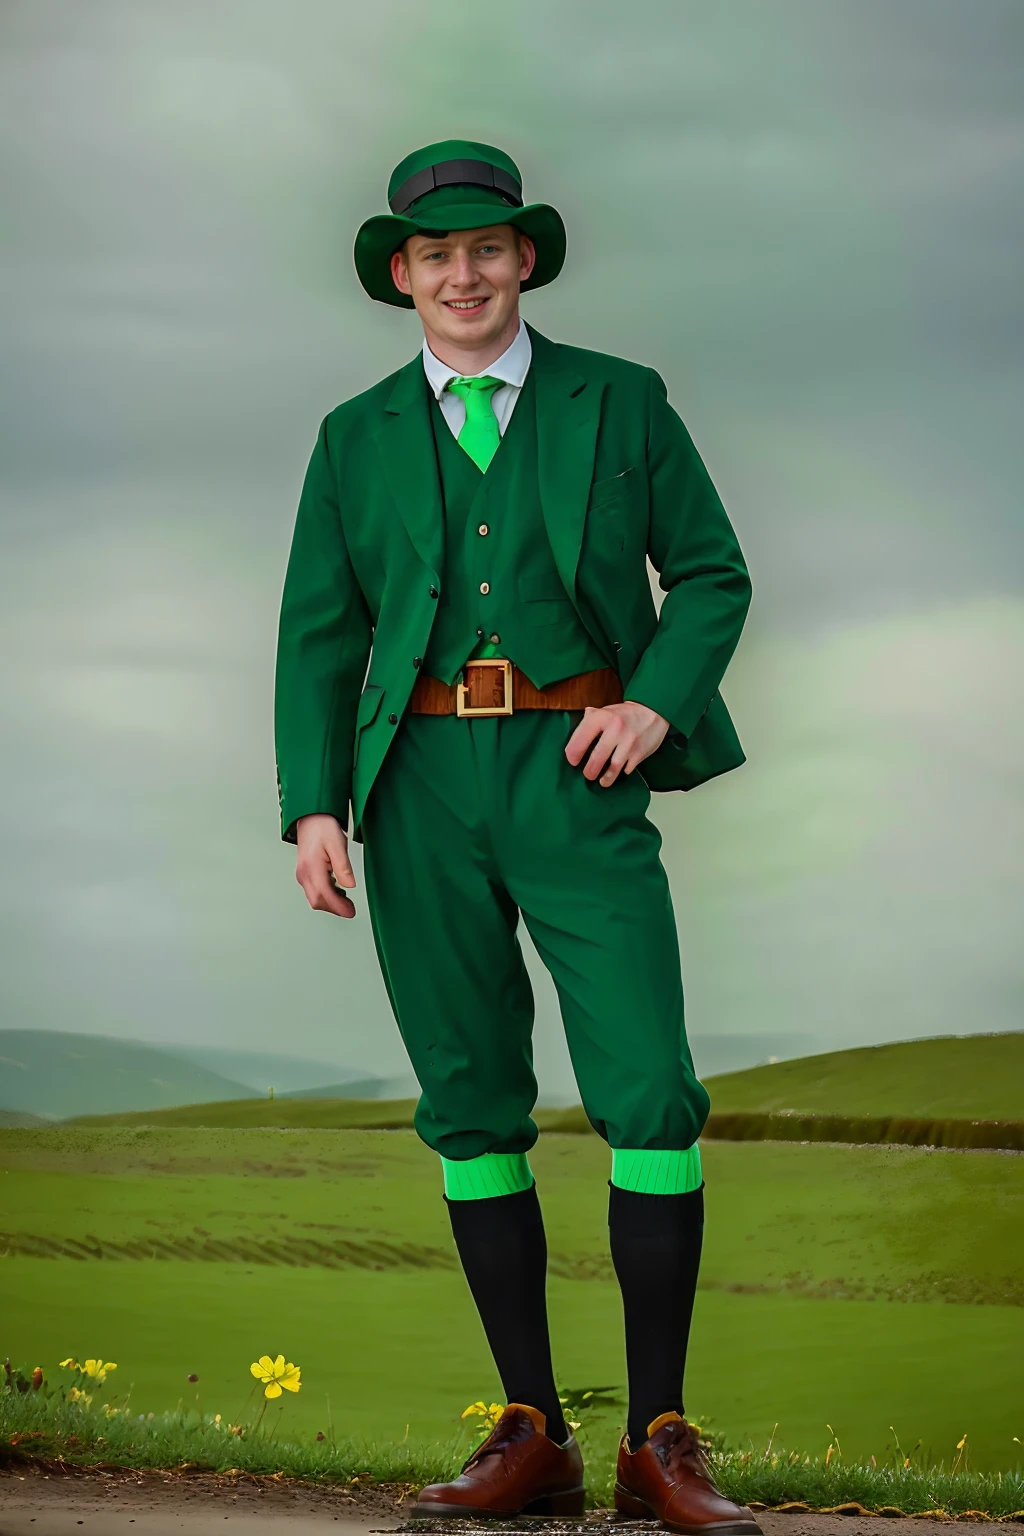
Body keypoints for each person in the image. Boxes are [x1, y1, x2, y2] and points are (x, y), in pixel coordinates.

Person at [274, 139, 759, 1532]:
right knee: (469, 1098)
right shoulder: (352, 436)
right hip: (414, 775)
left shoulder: (622, 400)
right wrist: (315, 803)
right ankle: (531, 1436)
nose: (464, 274)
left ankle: (659, 1441)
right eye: (438, 255)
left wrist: (654, 707)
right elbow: (322, 632)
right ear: (403, 277)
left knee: (649, 1086)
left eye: (487, 249)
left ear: (525, 257)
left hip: (576, 764)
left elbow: (713, 573)